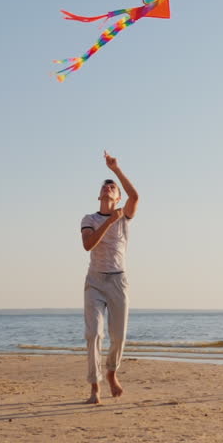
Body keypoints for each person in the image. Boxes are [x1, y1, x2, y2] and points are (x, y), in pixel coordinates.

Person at [79, 151, 139, 404]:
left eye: (112, 187)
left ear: (118, 197)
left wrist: (116, 170)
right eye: (104, 186)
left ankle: (112, 371)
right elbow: (88, 245)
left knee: (118, 335)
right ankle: (95, 386)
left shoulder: (124, 216)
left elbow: (135, 196)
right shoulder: (89, 219)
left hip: (118, 280)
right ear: (99, 195)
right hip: (95, 281)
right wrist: (108, 222)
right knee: (94, 334)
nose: (108, 188)